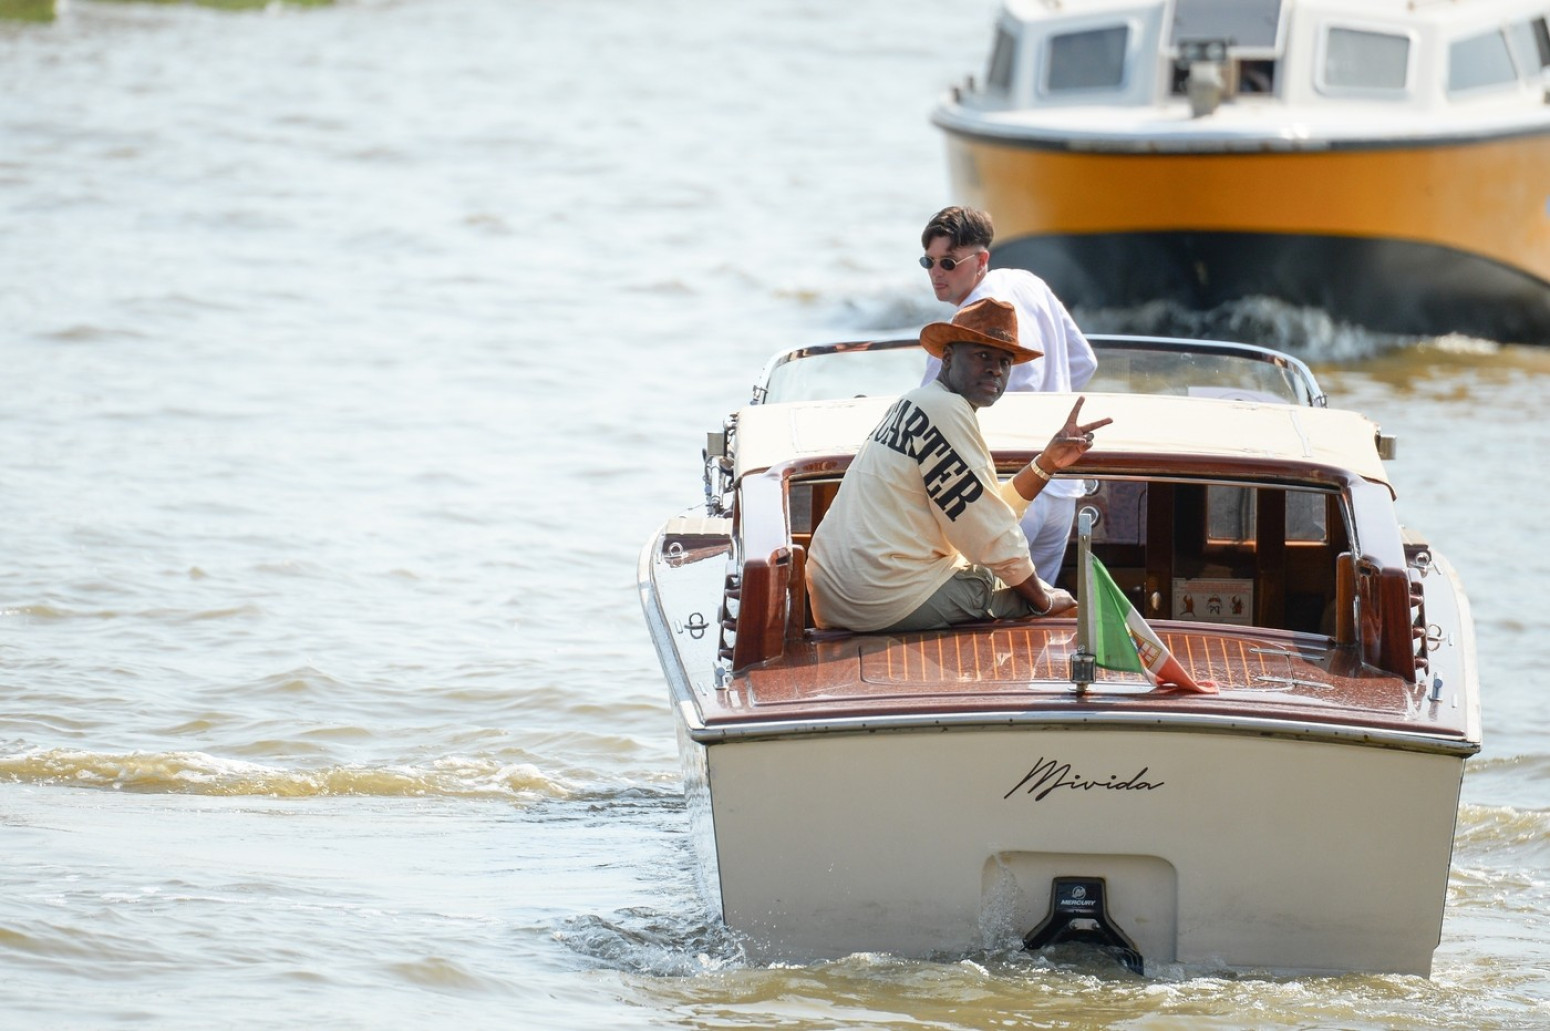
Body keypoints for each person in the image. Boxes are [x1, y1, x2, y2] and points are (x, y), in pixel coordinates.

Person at [806, 297, 1111, 634]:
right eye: (983, 356)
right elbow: (990, 532)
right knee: (1060, 603)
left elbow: (981, 509)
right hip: (882, 598)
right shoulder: (946, 410)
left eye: (1005, 361)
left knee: (1016, 580)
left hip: (837, 597)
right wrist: (1044, 602)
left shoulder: (915, 401)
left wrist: (1047, 463)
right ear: (948, 358)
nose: (996, 369)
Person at [918, 205, 1098, 582]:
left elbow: (927, 413)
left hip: (1011, 494)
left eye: (949, 262)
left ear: (981, 259)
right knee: (1033, 612)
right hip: (1061, 493)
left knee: (985, 615)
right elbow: (1084, 361)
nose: (937, 273)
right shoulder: (1028, 282)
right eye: (929, 262)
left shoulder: (970, 320)